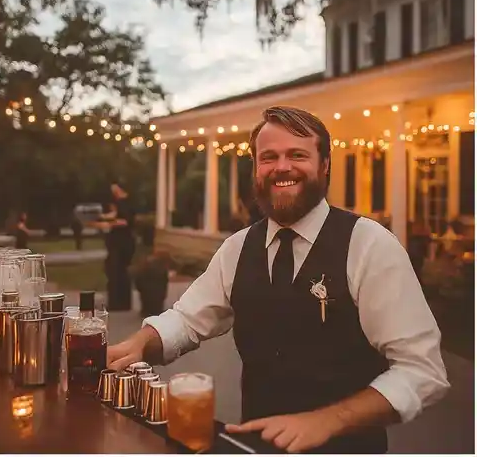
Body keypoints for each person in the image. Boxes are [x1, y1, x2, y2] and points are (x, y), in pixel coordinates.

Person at [107, 106, 449, 453]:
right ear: (256, 168)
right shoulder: (237, 248)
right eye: (268, 157)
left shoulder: (370, 245)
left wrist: (328, 420)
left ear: (325, 165)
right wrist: (141, 342)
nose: (282, 167)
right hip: (258, 446)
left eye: (297, 155)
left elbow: (422, 370)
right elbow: (187, 319)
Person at [98, 183, 136, 311]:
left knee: (118, 272)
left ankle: (119, 303)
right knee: (114, 272)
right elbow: (116, 215)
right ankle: (119, 302)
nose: (112, 191)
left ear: (120, 188)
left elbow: (124, 221)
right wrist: (102, 218)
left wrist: (109, 224)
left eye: (115, 188)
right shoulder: (120, 203)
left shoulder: (126, 203)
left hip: (122, 244)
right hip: (118, 243)